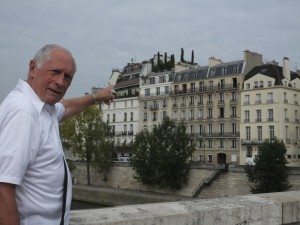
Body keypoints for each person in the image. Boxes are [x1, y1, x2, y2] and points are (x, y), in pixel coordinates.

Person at [0, 44, 114, 225]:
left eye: (67, 77)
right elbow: (3, 190)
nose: (61, 82)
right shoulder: (24, 112)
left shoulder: (44, 108)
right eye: (55, 72)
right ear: (32, 68)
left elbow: (67, 107)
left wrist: (96, 97)